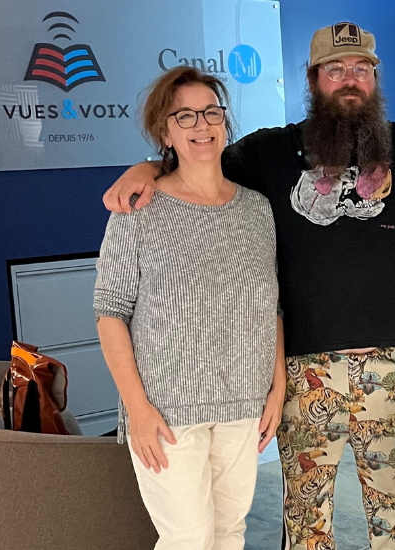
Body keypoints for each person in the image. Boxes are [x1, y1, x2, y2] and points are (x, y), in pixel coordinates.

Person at [103, 22, 395, 550]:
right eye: (334, 70)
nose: (349, 80)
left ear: (375, 79)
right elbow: (200, 158)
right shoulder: (267, 154)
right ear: (313, 80)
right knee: (307, 529)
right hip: (304, 377)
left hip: (391, 372)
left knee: (393, 529)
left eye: (361, 69)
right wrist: (149, 167)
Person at [93, 66, 286, 550]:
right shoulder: (139, 210)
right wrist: (136, 409)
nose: (202, 125)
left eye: (211, 112)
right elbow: (110, 312)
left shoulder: (257, 210)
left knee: (229, 532)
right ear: (165, 132)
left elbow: (272, 307)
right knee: (188, 538)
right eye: (186, 116)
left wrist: (277, 388)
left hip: (244, 404)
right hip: (167, 410)